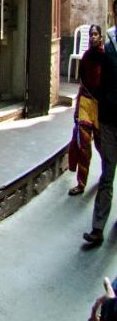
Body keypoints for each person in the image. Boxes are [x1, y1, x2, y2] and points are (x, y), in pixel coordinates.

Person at [72, 25, 106, 195]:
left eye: (95, 34)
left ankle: (106, 175)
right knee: (84, 146)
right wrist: (77, 109)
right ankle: (81, 183)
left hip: (100, 107)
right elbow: (82, 83)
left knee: (102, 145)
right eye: (90, 34)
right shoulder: (85, 57)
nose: (92, 37)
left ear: (100, 37)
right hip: (85, 103)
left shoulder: (106, 57)